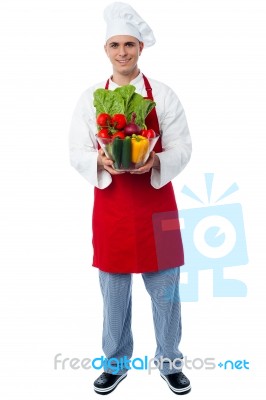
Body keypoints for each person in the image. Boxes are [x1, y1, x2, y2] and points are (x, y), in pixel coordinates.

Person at [69, 1, 192, 395]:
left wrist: (155, 158)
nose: (122, 52)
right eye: (115, 45)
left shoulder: (165, 96)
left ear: (141, 48)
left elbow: (184, 148)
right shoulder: (91, 98)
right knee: (114, 294)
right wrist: (100, 159)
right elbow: (76, 151)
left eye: (129, 45)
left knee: (166, 293)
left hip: (158, 205)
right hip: (114, 208)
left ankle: (169, 361)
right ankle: (116, 362)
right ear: (106, 50)